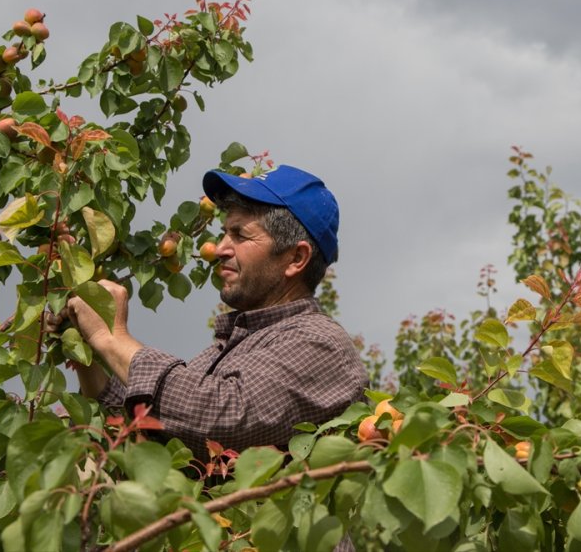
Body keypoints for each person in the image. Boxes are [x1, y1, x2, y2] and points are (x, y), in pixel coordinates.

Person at [64, 164, 368, 460]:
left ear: (296, 257)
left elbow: (222, 419)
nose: (220, 247)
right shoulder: (229, 349)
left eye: (240, 235)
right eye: (224, 232)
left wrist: (114, 338)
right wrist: (87, 347)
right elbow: (149, 431)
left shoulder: (319, 342)